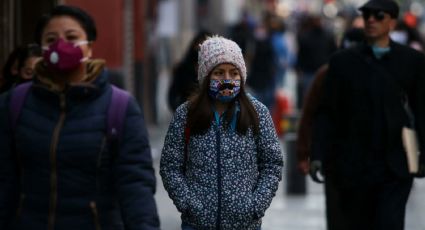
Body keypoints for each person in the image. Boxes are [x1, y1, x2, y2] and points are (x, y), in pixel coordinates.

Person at [0, 5, 159, 230]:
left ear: (89, 47)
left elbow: (134, 184)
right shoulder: (14, 104)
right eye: (51, 38)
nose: (61, 44)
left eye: (71, 37)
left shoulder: (119, 107)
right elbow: (5, 181)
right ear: (42, 48)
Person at [311, 0, 425, 229]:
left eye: (379, 15)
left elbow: (421, 111)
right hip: (351, 166)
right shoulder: (342, 62)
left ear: (392, 21)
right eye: (367, 15)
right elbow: (326, 112)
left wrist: (422, 155)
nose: (371, 20)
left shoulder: (411, 61)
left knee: (390, 223)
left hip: (395, 165)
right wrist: (317, 155)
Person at [160, 36, 283, 230]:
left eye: (234, 73)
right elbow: (170, 166)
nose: (227, 79)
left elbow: (272, 164)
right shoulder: (186, 114)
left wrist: (255, 206)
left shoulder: (257, 113)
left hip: (245, 224)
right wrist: (188, 204)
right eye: (219, 72)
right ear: (206, 76)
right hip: (197, 224)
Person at [296, 28, 365, 230]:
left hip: (368, 159)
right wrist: (304, 154)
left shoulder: (375, 73)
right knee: (338, 215)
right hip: (336, 157)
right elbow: (310, 114)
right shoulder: (327, 74)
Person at [167, 30, 211, 112]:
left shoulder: (215, 70)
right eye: (199, 45)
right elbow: (172, 95)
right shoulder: (183, 69)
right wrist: (180, 112)